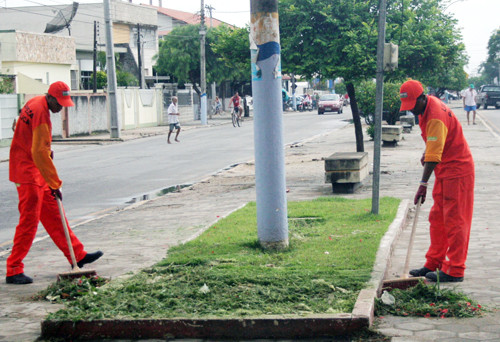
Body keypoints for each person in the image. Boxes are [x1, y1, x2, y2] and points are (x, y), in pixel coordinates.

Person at [7, 81, 103, 285]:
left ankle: (77, 255)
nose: (60, 108)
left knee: (55, 215)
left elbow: (21, 127)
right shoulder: (41, 111)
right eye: (59, 103)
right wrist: (55, 183)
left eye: (63, 103)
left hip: (35, 169)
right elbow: (39, 152)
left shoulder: (36, 101)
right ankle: (13, 268)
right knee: (29, 221)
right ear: (50, 97)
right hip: (26, 172)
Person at [399, 79, 474, 283]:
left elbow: (434, 155)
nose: (412, 110)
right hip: (445, 170)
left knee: (455, 220)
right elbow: (436, 142)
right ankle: (434, 262)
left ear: (423, 97)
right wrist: (428, 152)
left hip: (457, 171)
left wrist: (422, 184)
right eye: (408, 106)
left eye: (413, 105)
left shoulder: (435, 115)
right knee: (437, 217)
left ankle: (455, 269)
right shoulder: (427, 108)